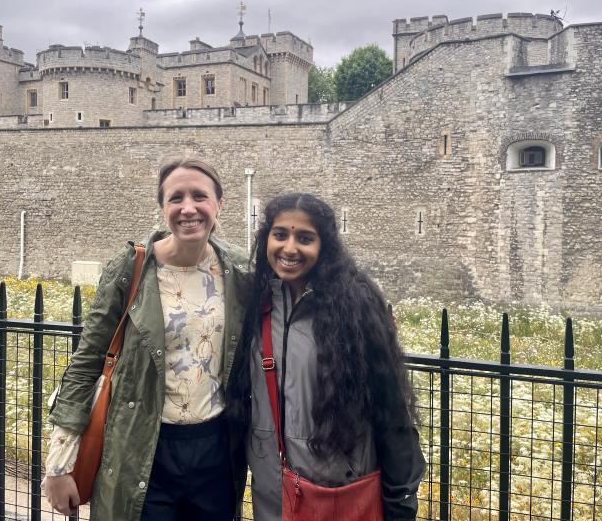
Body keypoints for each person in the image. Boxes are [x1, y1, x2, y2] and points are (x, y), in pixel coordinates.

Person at [45, 155, 250, 520]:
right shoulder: (131, 267)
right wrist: (59, 465)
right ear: (162, 208)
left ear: (220, 204)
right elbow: (86, 363)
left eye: (200, 196)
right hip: (141, 448)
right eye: (176, 198)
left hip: (215, 452)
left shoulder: (239, 269)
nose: (189, 208)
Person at [227, 193, 425, 520]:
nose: (290, 248)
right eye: (280, 235)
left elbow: (391, 412)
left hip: (338, 495)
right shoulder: (256, 304)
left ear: (324, 246)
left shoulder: (356, 307)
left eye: (304, 238)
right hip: (273, 494)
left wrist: (400, 503)